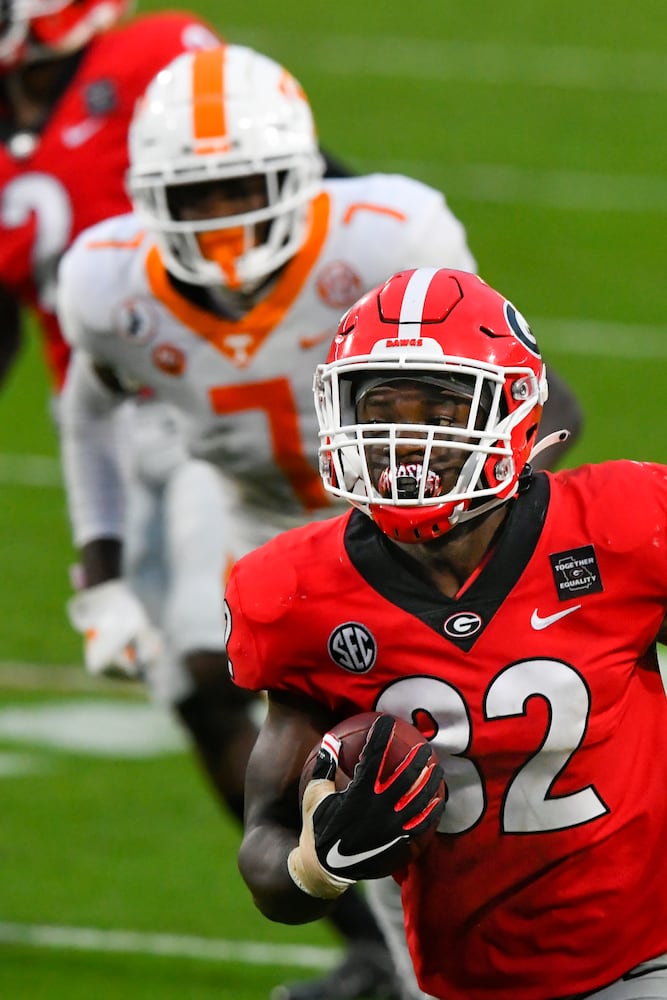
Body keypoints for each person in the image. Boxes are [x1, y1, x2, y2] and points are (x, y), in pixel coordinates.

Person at [227, 266, 667, 1000]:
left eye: (438, 409)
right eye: (380, 408)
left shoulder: (623, 524)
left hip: (645, 954)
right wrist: (316, 862)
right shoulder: (292, 591)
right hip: (459, 977)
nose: (405, 440)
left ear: (512, 411)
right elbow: (266, 855)